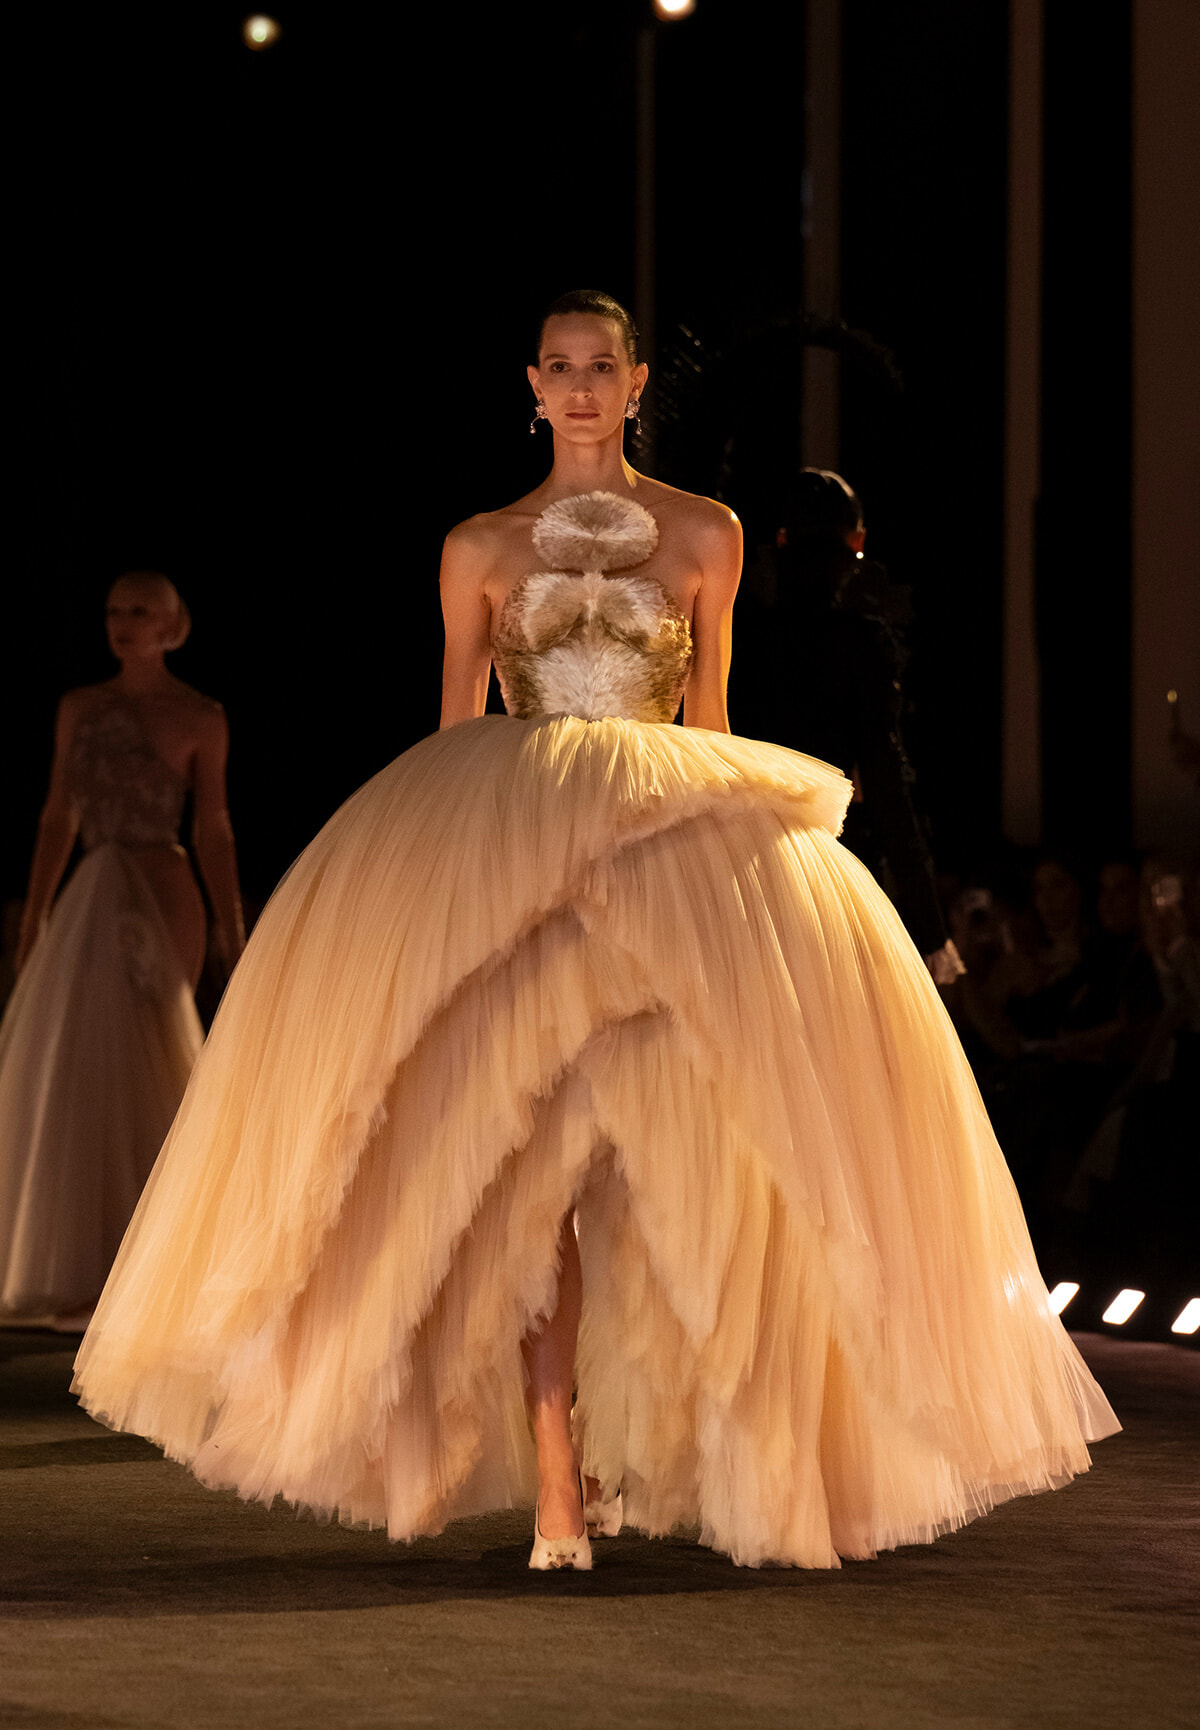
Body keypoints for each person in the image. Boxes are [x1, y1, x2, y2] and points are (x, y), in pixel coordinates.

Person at [74, 293, 1117, 1572]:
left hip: (662, 854)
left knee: (661, 1157)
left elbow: (713, 712)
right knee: (532, 1170)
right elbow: (460, 729)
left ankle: (637, 1448)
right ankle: (558, 1465)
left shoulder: (704, 531)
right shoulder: (478, 545)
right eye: (558, 367)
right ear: (531, 382)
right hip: (509, 849)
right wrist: (429, 900)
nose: (579, 386)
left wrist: (757, 884)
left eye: (601, 367)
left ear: (632, 386)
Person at [0, 571, 244, 1327]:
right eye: (114, 610)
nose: (124, 622)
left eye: (141, 611)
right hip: (91, 888)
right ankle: (89, 1263)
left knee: (156, 1052)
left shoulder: (199, 716)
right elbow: (56, 816)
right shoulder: (81, 708)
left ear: (174, 625)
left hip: (161, 884)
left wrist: (231, 920)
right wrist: (36, 913)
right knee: (82, 1065)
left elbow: (212, 826)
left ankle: (164, 1260)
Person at [748, 468, 961, 985]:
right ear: (857, 542)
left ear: (781, 540)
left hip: (742, 865)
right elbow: (887, 783)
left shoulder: (744, 638)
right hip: (832, 857)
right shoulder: (861, 646)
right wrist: (930, 930)